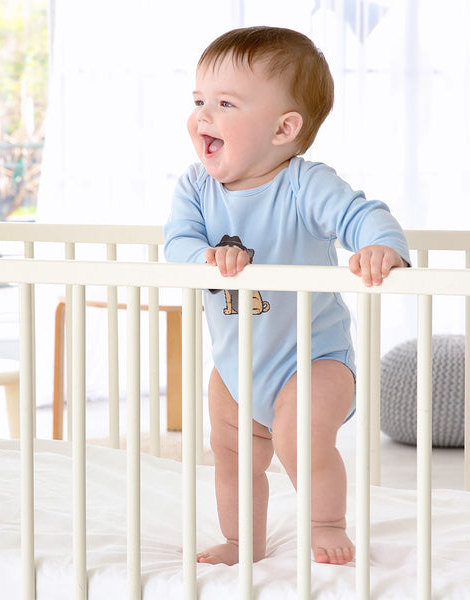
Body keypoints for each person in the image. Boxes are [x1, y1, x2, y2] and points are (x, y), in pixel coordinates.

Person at [164, 26, 410, 567]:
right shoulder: (196, 189)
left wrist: (379, 247)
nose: (203, 115)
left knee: (298, 436)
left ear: (284, 128)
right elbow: (177, 244)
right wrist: (204, 258)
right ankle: (239, 539)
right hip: (235, 366)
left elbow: (363, 214)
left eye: (224, 103)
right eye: (199, 101)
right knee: (230, 454)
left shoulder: (305, 184)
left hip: (313, 361)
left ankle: (324, 521)